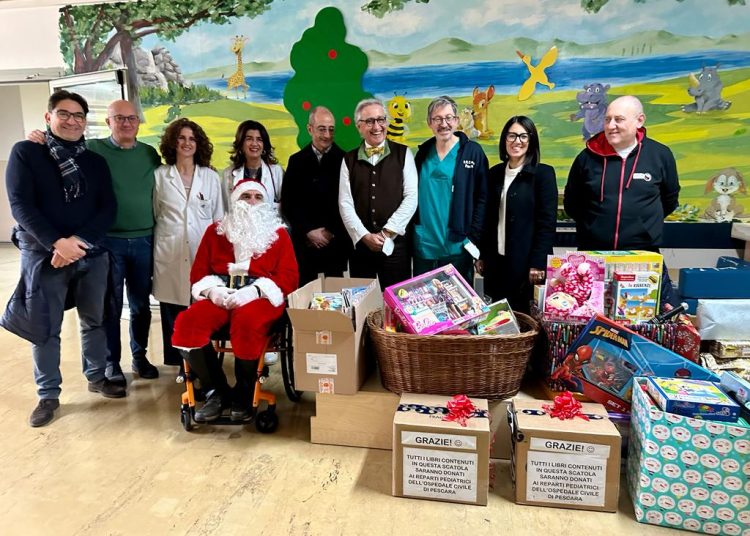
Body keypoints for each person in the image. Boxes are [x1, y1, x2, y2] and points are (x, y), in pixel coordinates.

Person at [2, 90, 123, 427]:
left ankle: (96, 376)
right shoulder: (27, 152)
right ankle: (48, 394)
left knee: (94, 320)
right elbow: (20, 205)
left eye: (78, 116)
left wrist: (78, 242)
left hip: (90, 252)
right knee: (45, 326)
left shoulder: (94, 161)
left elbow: (107, 208)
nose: (72, 121)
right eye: (64, 114)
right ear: (49, 117)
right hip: (45, 255)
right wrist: (57, 243)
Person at [27, 100, 162, 388]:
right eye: (119, 118)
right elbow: (61, 146)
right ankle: (111, 365)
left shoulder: (149, 153)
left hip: (145, 240)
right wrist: (39, 136)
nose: (126, 123)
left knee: (141, 305)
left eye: (132, 118)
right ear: (108, 122)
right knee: (108, 307)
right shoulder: (93, 150)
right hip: (108, 241)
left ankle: (140, 356)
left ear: (139, 123)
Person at [171, 179, 298, 422]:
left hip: (260, 296)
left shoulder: (279, 235)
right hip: (221, 293)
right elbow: (198, 274)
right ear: (234, 200)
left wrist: (255, 291)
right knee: (188, 323)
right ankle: (215, 391)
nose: (251, 202)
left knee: (247, 321)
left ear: (265, 203)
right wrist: (213, 292)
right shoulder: (215, 231)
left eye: (257, 197)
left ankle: (244, 391)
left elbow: (289, 277)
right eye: (245, 196)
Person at [564, 95, 681, 308]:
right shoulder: (586, 158)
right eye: (607, 119)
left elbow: (669, 199)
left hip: (642, 256)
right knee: (588, 318)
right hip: (592, 257)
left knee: (644, 317)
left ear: (639, 121)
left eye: (619, 119)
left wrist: (644, 225)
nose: (611, 126)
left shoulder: (660, 155)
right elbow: (572, 203)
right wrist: (593, 227)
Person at [153, 118, 224, 380]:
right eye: (181, 138)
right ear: (173, 142)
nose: (186, 143)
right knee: (173, 308)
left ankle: (201, 362)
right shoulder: (161, 176)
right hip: (169, 252)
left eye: (192, 139)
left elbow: (218, 219)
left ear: (199, 144)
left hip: (201, 252)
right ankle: (180, 365)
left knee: (199, 308)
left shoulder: (210, 177)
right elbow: (156, 213)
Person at [477, 116, 558, 313]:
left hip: (527, 265)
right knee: (497, 319)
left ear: (531, 140)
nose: (517, 141)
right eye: (511, 136)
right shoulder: (494, 174)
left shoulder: (543, 174)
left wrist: (538, 262)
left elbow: (547, 223)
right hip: (496, 263)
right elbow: (487, 220)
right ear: (504, 139)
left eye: (523, 136)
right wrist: (481, 255)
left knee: (525, 319)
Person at [339, 98, 418, 290]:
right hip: (361, 247)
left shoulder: (404, 154)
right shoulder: (348, 159)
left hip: (395, 246)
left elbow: (411, 197)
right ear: (359, 127)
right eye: (369, 121)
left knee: (397, 300)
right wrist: (365, 235)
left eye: (381, 119)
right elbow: (345, 203)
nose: (377, 126)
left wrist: (386, 233)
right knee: (362, 302)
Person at [413, 96, 488, 286]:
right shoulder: (422, 153)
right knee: (424, 301)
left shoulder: (472, 152)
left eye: (448, 118)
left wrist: (473, 237)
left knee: (458, 300)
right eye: (437, 119)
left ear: (456, 120)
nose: (443, 124)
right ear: (430, 123)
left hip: (458, 245)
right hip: (425, 244)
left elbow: (483, 198)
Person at [281, 106, 351, 286]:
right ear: (309, 129)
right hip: (305, 244)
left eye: (331, 129)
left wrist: (329, 232)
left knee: (336, 294)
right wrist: (309, 232)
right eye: (322, 129)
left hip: (335, 243)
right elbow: (289, 203)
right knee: (305, 295)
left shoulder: (346, 160)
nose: (327, 135)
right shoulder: (296, 161)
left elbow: (350, 202)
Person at [222, 120, 283, 212]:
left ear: (264, 145)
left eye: (259, 139)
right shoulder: (228, 174)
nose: (254, 143)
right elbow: (225, 208)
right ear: (241, 143)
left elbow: (286, 205)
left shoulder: (276, 172)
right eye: (249, 139)